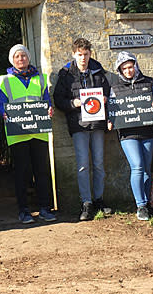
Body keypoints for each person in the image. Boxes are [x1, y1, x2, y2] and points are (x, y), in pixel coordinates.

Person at [0, 44, 57, 224]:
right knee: (22, 173)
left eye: (23, 56)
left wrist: (49, 109)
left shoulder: (41, 79)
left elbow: (46, 100)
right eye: (17, 57)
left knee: (42, 171)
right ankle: (24, 211)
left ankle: (45, 208)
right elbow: (1, 103)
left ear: (28, 58)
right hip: (17, 133)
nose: (21, 59)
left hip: (38, 132)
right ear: (12, 60)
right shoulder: (5, 81)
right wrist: (3, 113)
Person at [53, 38, 111, 221]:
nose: (83, 58)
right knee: (83, 165)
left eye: (86, 54)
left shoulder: (99, 70)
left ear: (90, 54)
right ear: (73, 54)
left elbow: (109, 91)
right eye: (79, 55)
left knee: (99, 163)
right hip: (78, 124)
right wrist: (72, 103)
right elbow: (58, 99)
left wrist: (105, 99)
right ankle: (86, 202)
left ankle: (99, 199)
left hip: (98, 124)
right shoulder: (66, 74)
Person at [107, 52, 153, 221]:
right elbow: (111, 110)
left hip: (148, 130)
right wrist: (110, 120)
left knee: (147, 169)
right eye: (124, 68)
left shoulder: (149, 82)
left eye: (131, 66)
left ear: (136, 65)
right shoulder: (115, 87)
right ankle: (140, 205)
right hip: (127, 133)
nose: (128, 71)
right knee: (137, 166)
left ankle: (149, 203)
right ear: (120, 70)